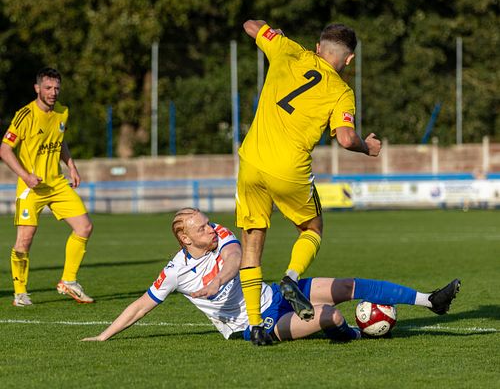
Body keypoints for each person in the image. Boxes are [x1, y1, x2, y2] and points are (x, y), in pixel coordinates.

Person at [81, 208, 461, 344]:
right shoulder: (174, 272)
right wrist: (103, 335)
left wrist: (219, 280)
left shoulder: (221, 236)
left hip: (273, 295)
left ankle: (430, 300)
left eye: (208, 223)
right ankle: (359, 333)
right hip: (253, 323)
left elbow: (236, 259)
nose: (210, 229)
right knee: (333, 316)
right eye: (201, 228)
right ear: (184, 238)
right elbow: (141, 306)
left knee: (347, 285)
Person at [236, 20, 382, 344]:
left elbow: (250, 25)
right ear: (349, 59)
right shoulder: (341, 91)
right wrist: (367, 147)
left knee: (252, 239)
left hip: (251, 162)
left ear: (318, 47)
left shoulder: (288, 50)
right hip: (288, 168)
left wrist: (274, 35)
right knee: (312, 229)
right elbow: (346, 138)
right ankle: (291, 277)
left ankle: (256, 325)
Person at [0, 67, 94, 306]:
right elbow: (5, 150)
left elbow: (60, 142)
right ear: (37, 88)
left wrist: (71, 166)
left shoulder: (62, 112)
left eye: (57, 88)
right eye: (48, 88)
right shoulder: (25, 115)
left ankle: (68, 281)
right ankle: (20, 293)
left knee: (84, 227)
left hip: (56, 184)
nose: (53, 93)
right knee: (25, 239)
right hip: (31, 188)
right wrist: (25, 175)